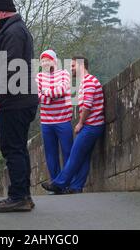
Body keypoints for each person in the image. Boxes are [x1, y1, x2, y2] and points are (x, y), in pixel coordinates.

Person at [0, 0, 38, 212]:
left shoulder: (13, 32)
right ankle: (23, 194)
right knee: (18, 148)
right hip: (20, 99)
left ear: (4, 11)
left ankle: (18, 196)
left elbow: (11, 67)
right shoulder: (14, 29)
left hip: (15, 101)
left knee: (12, 148)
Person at [41, 56, 105, 194]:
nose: (71, 69)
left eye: (74, 66)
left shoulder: (88, 81)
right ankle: (76, 186)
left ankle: (59, 184)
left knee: (75, 155)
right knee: (84, 156)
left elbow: (87, 106)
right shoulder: (84, 82)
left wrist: (80, 123)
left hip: (91, 126)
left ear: (82, 65)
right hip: (93, 125)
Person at [35, 50, 73, 182]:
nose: (45, 63)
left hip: (63, 119)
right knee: (51, 154)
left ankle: (67, 182)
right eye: (43, 61)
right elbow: (36, 96)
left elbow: (63, 90)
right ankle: (55, 182)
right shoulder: (39, 77)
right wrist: (50, 98)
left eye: (47, 60)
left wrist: (45, 92)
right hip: (46, 121)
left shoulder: (64, 73)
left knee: (67, 151)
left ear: (54, 61)